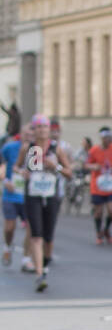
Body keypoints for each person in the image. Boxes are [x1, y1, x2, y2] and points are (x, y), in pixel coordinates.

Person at [14, 114, 72, 291]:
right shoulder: (28, 148)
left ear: (49, 130)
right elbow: (16, 166)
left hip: (51, 195)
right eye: (38, 127)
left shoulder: (56, 149)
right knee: (36, 235)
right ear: (34, 130)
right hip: (33, 195)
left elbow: (69, 172)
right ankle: (40, 274)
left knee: (48, 237)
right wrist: (21, 172)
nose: (41, 130)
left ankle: (45, 265)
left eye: (44, 127)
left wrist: (57, 167)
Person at [85, 126, 112, 245]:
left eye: (110, 137)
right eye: (106, 137)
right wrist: (94, 167)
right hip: (97, 185)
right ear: (101, 138)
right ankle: (99, 232)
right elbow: (87, 164)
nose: (109, 140)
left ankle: (107, 229)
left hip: (111, 185)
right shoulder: (94, 150)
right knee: (98, 212)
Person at [1, 129, 28, 268]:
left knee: (31, 229)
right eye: (26, 134)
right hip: (11, 194)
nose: (29, 137)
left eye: (32, 135)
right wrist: (5, 180)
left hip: (29, 196)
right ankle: (7, 246)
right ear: (21, 134)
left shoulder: (36, 150)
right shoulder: (10, 148)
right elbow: (2, 164)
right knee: (9, 228)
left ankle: (26, 259)